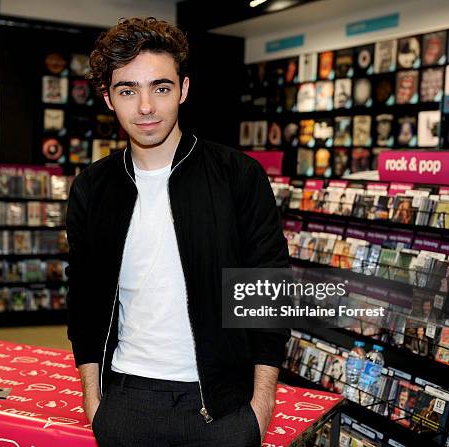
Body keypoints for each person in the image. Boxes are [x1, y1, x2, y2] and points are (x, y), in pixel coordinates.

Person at [65, 17, 290, 446]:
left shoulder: (237, 175)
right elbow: (84, 298)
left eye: (160, 88)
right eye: (128, 90)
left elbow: (267, 289)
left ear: (183, 90)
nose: (145, 106)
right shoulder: (93, 187)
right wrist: (94, 400)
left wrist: (260, 408)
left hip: (224, 408)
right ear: (109, 98)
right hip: (125, 401)